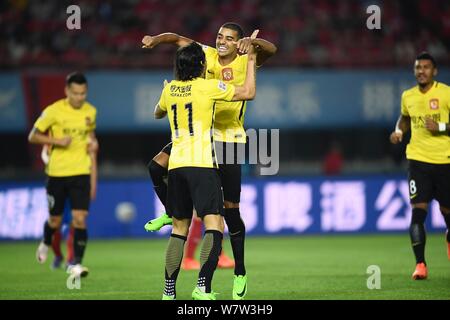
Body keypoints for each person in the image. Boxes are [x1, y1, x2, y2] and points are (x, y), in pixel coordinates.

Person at [142, 22, 277, 299]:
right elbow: (177, 37)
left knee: (229, 212)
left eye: (229, 38)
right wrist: (156, 39)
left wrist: (254, 46)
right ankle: (172, 213)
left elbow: (271, 49)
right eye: (219, 36)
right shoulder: (206, 54)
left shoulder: (245, 58)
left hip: (228, 140)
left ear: (238, 41)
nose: (222, 41)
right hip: (201, 137)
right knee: (156, 165)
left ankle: (239, 271)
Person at [28, 72, 98, 278]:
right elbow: (33, 136)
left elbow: (90, 136)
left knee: (79, 219)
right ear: (67, 91)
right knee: (55, 221)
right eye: (75, 93)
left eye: (83, 93)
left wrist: (92, 143)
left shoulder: (91, 112)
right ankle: (47, 240)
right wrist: (57, 142)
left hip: (80, 172)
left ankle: (75, 263)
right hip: (57, 174)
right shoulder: (53, 111)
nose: (79, 97)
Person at [389, 52, 450, 280]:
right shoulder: (408, 96)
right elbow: (404, 117)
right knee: (418, 214)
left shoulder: (446, 93)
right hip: (418, 162)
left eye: (426, 67)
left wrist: (441, 127)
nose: (421, 71)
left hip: (445, 161)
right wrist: (399, 131)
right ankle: (420, 264)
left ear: (434, 71)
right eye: (418, 67)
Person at [41, 139, 98, 270]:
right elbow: (44, 155)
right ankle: (57, 255)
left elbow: (92, 162)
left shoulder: (86, 140)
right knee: (56, 223)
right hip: (58, 183)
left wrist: (93, 186)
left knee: (76, 222)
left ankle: (72, 260)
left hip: (76, 184)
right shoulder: (54, 137)